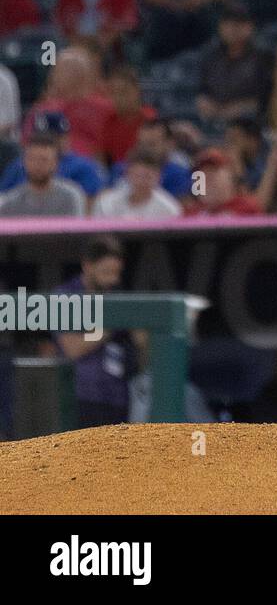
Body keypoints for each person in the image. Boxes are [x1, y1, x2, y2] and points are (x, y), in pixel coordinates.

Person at [40, 235, 137, 427]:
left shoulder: (118, 296)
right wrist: (110, 325)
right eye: (106, 272)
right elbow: (72, 348)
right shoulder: (64, 296)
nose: (113, 279)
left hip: (117, 397)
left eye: (116, 273)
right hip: (79, 397)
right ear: (88, 266)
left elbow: (142, 344)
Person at [196, 0, 272, 124]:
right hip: (215, 121)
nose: (233, 28)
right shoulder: (211, 56)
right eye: (228, 23)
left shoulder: (263, 57)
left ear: (250, 26)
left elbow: (270, 96)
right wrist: (203, 100)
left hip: (252, 123)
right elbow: (203, 89)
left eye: (239, 23)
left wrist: (243, 106)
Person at [0, 133, 87, 217]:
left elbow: (75, 230)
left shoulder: (71, 196)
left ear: (55, 163)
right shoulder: (10, 202)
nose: (37, 164)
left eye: (44, 160)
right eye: (32, 159)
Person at [90, 148, 182, 219]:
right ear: (128, 174)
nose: (142, 182)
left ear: (159, 177)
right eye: (138, 176)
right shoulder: (106, 203)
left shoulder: (169, 209)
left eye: (148, 177)